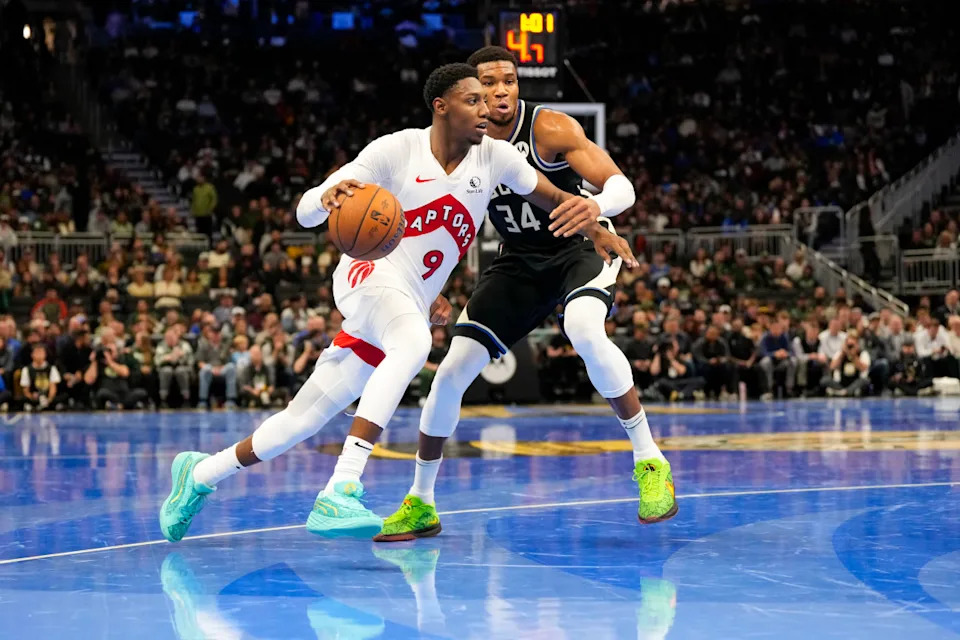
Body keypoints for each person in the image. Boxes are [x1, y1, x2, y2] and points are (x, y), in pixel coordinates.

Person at [158, 63, 634, 543]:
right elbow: (304, 210)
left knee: (299, 421)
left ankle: (198, 476)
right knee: (413, 340)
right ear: (441, 108)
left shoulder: (496, 158)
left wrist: (596, 228)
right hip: (366, 277)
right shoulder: (396, 149)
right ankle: (342, 487)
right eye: (473, 100)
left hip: (406, 299)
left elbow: (554, 197)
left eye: (487, 100)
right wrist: (327, 196)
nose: (485, 108)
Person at [376, 47, 672, 543]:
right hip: (517, 261)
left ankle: (650, 461)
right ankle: (421, 501)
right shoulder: (460, 146)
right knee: (450, 373)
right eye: (488, 83)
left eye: (509, 81)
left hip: (577, 248)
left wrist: (593, 206)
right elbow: (433, 224)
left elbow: (622, 185)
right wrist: (426, 288)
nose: (501, 91)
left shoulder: (549, 128)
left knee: (582, 328)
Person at [155, 327, 195, 408]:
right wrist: (167, 358)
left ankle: (186, 399)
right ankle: (163, 399)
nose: (170, 339)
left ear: (177, 337)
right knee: (166, 371)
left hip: (183, 367)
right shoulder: (161, 345)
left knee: (180, 371)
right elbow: (157, 361)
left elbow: (191, 361)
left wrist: (182, 357)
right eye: (168, 338)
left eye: (172, 337)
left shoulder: (184, 345)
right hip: (166, 367)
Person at [20, 344, 65, 411]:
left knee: (63, 396)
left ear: (45, 355)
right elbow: (26, 390)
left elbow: (53, 387)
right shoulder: (26, 369)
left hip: (48, 396)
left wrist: (49, 400)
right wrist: (32, 397)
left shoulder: (51, 368)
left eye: (41, 352)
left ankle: (48, 405)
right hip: (35, 396)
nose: (39, 355)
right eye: (37, 352)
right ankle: (35, 405)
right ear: (32, 355)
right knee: (22, 399)